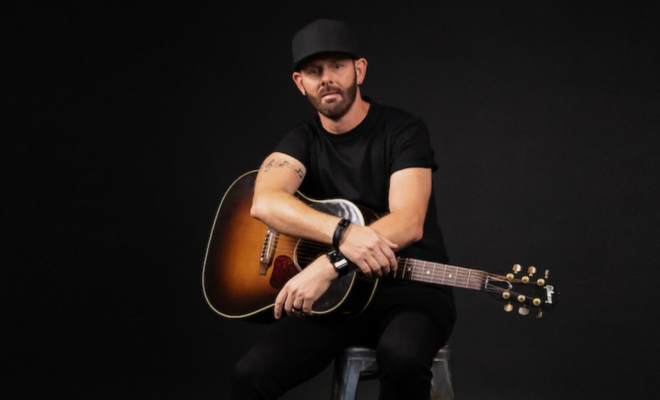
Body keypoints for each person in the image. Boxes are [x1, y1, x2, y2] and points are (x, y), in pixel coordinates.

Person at [230, 19, 456, 400]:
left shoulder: (403, 131)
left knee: (401, 358)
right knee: (250, 375)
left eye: (337, 66)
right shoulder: (302, 140)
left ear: (359, 70)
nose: (327, 79)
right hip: (337, 299)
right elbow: (265, 201)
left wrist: (328, 264)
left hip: (410, 294)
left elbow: (409, 221)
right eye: (314, 71)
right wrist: (344, 235)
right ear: (300, 83)